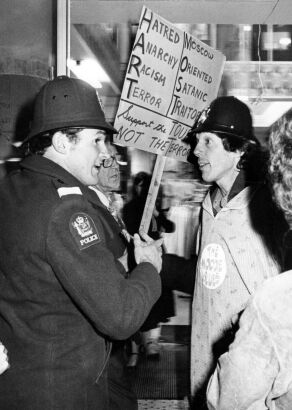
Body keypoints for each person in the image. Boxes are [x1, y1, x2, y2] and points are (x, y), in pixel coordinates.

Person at [0, 75, 163, 409]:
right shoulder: (66, 209)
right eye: (97, 141)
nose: (106, 154)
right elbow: (120, 317)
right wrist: (148, 267)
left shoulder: (12, 188)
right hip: (63, 390)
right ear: (63, 141)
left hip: (20, 379)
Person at [184, 96, 287, 409]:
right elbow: (208, 276)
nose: (196, 151)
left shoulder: (265, 209)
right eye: (196, 141)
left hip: (247, 378)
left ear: (239, 149)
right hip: (205, 361)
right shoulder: (207, 205)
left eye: (208, 142)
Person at [123, 171, 176, 362]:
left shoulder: (151, 207)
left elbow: (169, 227)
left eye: (144, 184)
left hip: (155, 255)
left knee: (156, 300)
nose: (142, 188)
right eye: (139, 184)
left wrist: (159, 214)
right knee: (146, 299)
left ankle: (151, 344)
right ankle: (145, 345)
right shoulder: (132, 208)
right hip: (140, 256)